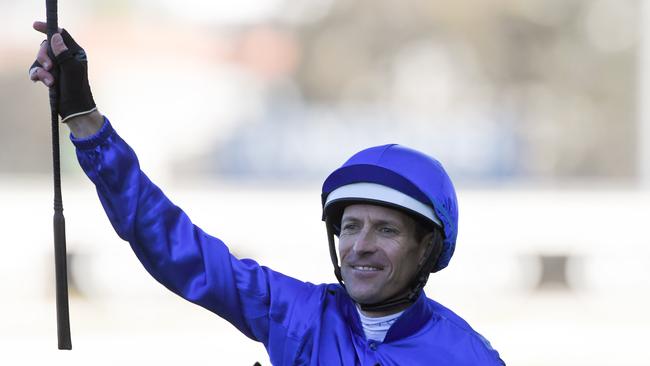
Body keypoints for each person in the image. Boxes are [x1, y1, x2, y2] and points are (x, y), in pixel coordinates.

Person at [29, 22, 505, 365]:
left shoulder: (469, 356)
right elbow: (173, 246)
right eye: (351, 226)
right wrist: (83, 117)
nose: (360, 245)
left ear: (427, 247)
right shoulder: (298, 314)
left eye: (385, 230)